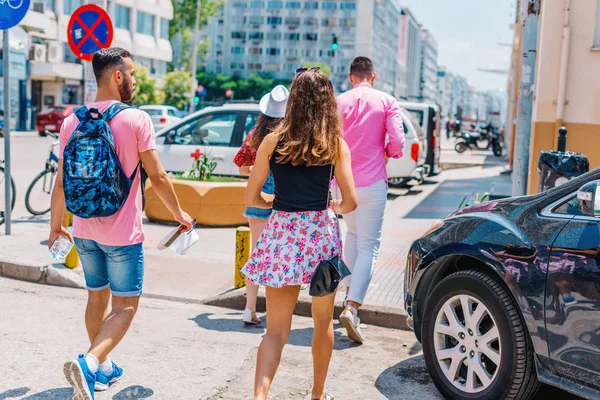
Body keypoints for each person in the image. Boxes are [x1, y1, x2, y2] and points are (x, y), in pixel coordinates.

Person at [49, 47, 194, 400]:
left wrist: (55, 226)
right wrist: (179, 214)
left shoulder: (72, 120)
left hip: (83, 228)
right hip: (122, 234)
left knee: (96, 297)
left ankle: (101, 369)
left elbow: (60, 182)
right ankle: (89, 362)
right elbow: (157, 176)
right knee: (126, 306)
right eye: (131, 74)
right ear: (117, 76)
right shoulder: (136, 119)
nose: (134, 80)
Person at [242, 68, 357, 400]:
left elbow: (250, 197)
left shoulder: (272, 141)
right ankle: (317, 395)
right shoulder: (334, 144)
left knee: (275, 330)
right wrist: (332, 204)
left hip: (281, 234)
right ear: (327, 103)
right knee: (322, 324)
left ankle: (259, 397)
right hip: (320, 237)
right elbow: (350, 201)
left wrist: (269, 199)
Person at [335, 57, 405, 344]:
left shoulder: (337, 102)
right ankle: (352, 307)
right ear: (372, 76)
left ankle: (347, 298)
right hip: (373, 181)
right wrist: (388, 153)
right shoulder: (388, 101)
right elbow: (398, 141)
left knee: (351, 235)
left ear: (351, 77)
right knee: (368, 246)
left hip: (341, 183)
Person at [234, 85, 290, 325]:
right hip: (283, 201)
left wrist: (257, 173)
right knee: (279, 255)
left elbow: (241, 167)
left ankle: (249, 309)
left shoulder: (255, 133)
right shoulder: (290, 134)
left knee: (256, 254)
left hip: (257, 199)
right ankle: (276, 311)